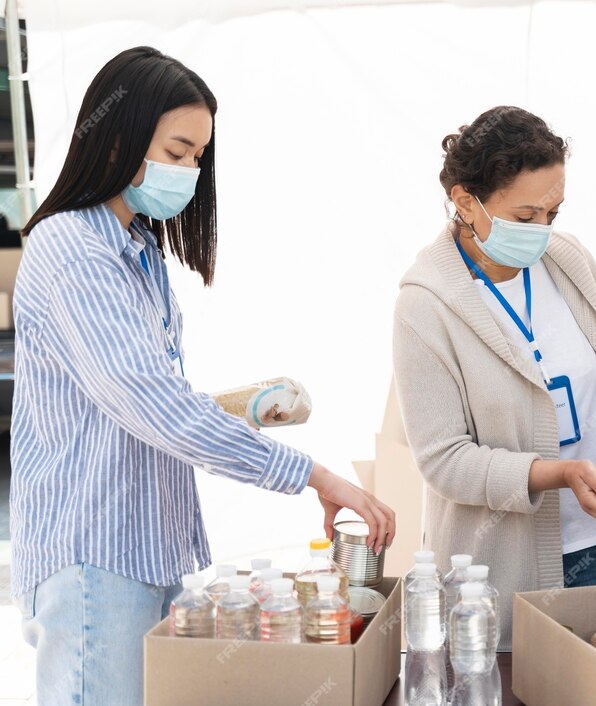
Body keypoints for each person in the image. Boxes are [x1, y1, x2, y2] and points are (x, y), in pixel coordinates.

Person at [11, 47, 395, 705]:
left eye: (197, 157)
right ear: (116, 138)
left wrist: (241, 407)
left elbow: (135, 398)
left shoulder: (135, 250)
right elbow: (154, 407)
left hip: (143, 550)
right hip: (96, 559)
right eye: (177, 150)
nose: (188, 171)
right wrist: (312, 473)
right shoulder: (74, 250)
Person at [392, 106, 596, 649]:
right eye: (526, 216)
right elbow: (443, 459)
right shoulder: (427, 305)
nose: (543, 231)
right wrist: (557, 475)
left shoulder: (569, 262)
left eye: (554, 211)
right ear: (466, 201)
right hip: (500, 568)